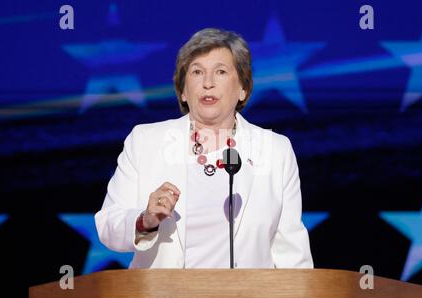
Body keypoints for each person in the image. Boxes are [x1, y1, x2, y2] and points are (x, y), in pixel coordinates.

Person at [95, 28, 313, 269]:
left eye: (220, 72)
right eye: (197, 72)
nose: (208, 83)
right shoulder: (145, 141)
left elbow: (292, 254)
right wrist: (145, 220)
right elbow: (108, 225)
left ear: (243, 88)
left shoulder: (275, 151)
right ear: (183, 91)